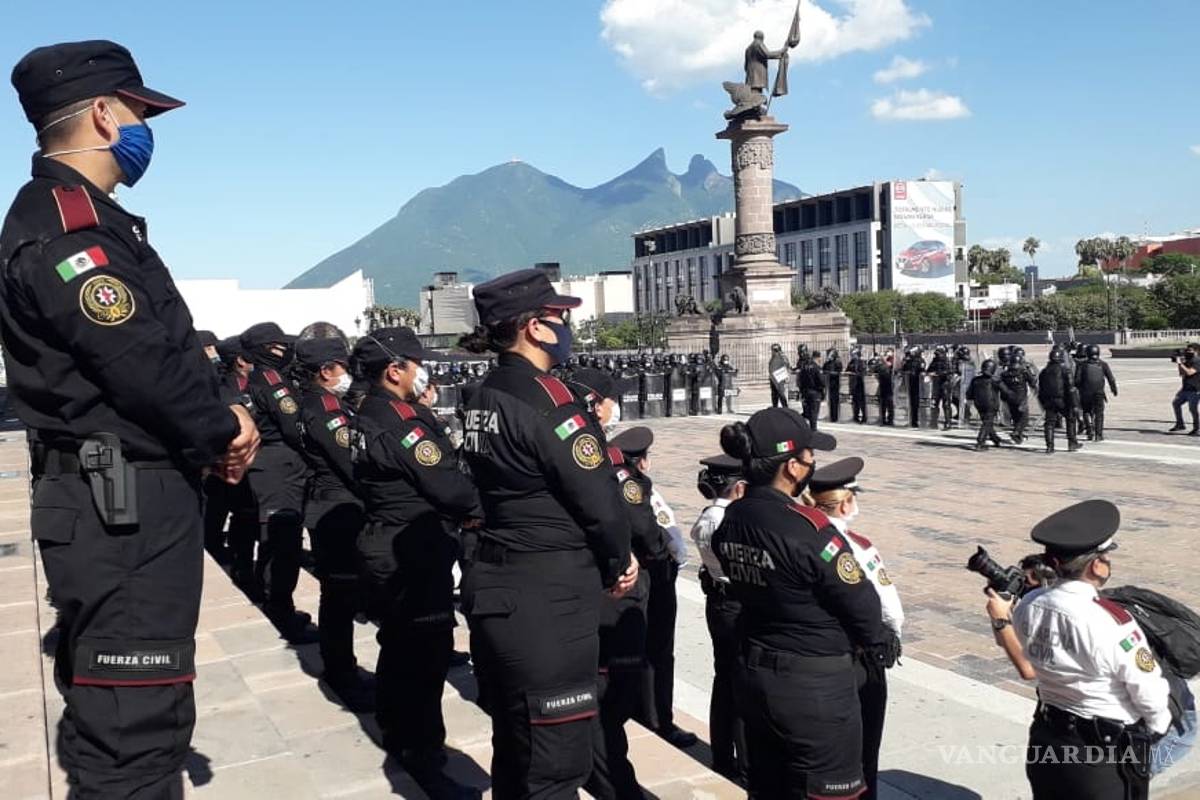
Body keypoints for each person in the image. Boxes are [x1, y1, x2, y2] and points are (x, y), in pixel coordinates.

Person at [0, 40, 260, 796]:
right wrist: (224, 429)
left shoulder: (82, 219)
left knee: (136, 709)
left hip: (120, 498)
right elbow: (140, 362)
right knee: (133, 731)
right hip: (121, 506)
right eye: (143, 112)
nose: (149, 129)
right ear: (107, 115)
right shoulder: (70, 231)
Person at [458, 269, 637, 798]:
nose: (567, 327)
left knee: (516, 749)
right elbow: (600, 501)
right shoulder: (550, 401)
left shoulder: (482, 393)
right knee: (555, 768)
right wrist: (618, 562)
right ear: (535, 327)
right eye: (561, 317)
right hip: (549, 601)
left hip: (498, 587)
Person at [713, 408, 886, 799]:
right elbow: (862, 606)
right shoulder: (810, 528)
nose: (813, 464)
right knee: (833, 790)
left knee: (770, 785)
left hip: (756, 669)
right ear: (792, 467)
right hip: (814, 684)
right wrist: (873, 642)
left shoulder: (732, 517)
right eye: (810, 457)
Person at [352, 327, 481, 773]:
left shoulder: (368, 410)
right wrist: (478, 510)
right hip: (412, 548)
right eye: (415, 362)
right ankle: (423, 751)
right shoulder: (401, 423)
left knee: (398, 645)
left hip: (386, 538)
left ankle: (396, 729)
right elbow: (449, 487)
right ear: (394, 370)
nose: (422, 371)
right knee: (425, 653)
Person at [992, 500, 1172, 799]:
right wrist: (1157, 726)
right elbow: (1147, 689)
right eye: (1105, 557)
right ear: (1096, 565)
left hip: (1047, 737)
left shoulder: (1029, 604)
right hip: (1099, 755)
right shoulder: (1113, 620)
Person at [571, 368, 658, 800]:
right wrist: (636, 556)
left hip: (584, 588)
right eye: (608, 398)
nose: (612, 406)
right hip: (610, 592)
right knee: (612, 695)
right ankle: (612, 781)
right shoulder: (600, 460)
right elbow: (631, 524)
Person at [804, 458, 903, 800]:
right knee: (864, 748)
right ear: (846, 503)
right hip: (858, 656)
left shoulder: (803, 533)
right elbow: (889, 608)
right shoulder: (857, 546)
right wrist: (891, 635)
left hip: (816, 658)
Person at [293, 335, 375, 712]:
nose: (348, 374)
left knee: (345, 594)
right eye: (342, 366)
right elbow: (350, 461)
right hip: (335, 508)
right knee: (339, 597)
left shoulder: (322, 402)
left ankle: (342, 666)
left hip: (334, 505)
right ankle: (341, 672)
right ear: (326, 371)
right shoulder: (325, 409)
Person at [610, 426, 697, 751]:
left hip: (634, 571)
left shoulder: (611, 476)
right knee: (658, 651)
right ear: (642, 461)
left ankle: (641, 708)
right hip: (650, 573)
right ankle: (659, 718)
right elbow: (649, 529)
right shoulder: (633, 484)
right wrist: (662, 558)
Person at [240, 322, 318, 643]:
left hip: (272, 464)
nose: (285, 350)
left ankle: (273, 601)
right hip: (279, 465)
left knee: (274, 540)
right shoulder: (272, 381)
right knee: (283, 543)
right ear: (266, 349)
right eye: (278, 345)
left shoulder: (265, 378)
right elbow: (292, 424)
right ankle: (281, 611)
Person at [691, 454, 749, 784]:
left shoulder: (707, 516)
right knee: (739, 683)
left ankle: (723, 755)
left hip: (718, 600)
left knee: (723, 679)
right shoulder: (729, 522)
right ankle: (744, 762)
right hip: (735, 604)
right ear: (738, 488)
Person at [1037, 347, 1082, 454]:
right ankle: (1072, 443)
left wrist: (1043, 403)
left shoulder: (1044, 371)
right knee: (1070, 420)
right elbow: (1071, 389)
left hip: (1049, 401)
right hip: (1063, 400)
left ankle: (1049, 446)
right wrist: (1075, 404)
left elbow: (1040, 389)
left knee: (1049, 424)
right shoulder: (1066, 370)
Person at [1076, 345, 1118, 442]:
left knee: (1086, 411)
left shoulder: (1082, 365)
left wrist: (1080, 388)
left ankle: (1089, 430)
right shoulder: (1103, 364)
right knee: (1099, 413)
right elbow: (1110, 378)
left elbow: (1077, 380)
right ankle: (1099, 434)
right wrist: (1114, 389)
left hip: (1085, 392)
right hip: (1099, 392)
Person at [967, 359, 1010, 451]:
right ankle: (980, 442)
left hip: (979, 404)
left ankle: (995, 439)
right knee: (987, 423)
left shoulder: (975, 380)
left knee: (987, 423)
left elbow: (969, 394)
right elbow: (1006, 392)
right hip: (991, 404)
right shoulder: (995, 380)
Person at [1001, 348, 1038, 444]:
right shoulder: (1023, 372)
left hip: (1009, 398)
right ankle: (1016, 432)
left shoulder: (1005, 373)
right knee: (1024, 418)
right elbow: (1032, 382)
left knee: (1016, 417)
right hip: (1021, 398)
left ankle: (1018, 435)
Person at [1168, 344, 1199, 436]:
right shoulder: (1188, 360)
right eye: (1187, 350)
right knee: (1176, 403)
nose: (1187, 352)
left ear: (1196, 351)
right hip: (1185, 388)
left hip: (1195, 389)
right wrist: (1180, 363)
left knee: (1192, 409)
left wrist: (1180, 363)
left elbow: (1190, 372)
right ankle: (1180, 424)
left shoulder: (1198, 361)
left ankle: (1197, 428)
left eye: (1190, 350)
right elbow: (1182, 373)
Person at [796, 344, 825, 430]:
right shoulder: (816, 367)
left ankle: (805, 428)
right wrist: (822, 388)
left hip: (805, 392)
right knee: (813, 414)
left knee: (807, 412)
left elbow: (800, 380)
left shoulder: (803, 367)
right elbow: (821, 381)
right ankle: (813, 431)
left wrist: (801, 390)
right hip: (814, 392)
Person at [926, 345, 954, 430]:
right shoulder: (935, 361)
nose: (937, 356)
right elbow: (928, 370)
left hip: (945, 384)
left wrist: (937, 373)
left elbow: (949, 372)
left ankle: (948, 422)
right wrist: (930, 373)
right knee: (934, 403)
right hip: (936, 384)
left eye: (939, 353)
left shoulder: (947, 361)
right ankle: (933, 422)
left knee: (946, 404)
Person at [900, 346, 925, 428]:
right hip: (909, 383)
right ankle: (911, 420)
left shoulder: (920, 361)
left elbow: (922, 371)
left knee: (916, 403)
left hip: (917, 384)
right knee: (910, 403)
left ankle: (917, 420)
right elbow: (903, 369)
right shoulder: (909, 361)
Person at [847, 346, 868, 424]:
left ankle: (864, 417)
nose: (853, 356)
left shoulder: (861, 362)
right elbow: (847, 370)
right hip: (853, 385)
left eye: (854, 354)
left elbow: (863, 373)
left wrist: (855, 374)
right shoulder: (851, 362)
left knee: (861, 402)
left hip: (860, 385)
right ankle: (855, 417)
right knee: (855, 402)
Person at [872, 354, 895, 426]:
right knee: (884, 404)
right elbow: (875, 369)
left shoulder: (890, 366)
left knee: (889, 404)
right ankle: (884, 420)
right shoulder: (881, 366)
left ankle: (889, 420)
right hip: (883, 386)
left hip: (888, 386)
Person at [823, 348, 843, 423]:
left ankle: (835, 417)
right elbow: (824, 369)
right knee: (830, 401)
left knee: (835, 401)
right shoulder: (827, 363)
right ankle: (831, 416)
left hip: (835, 384)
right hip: (829, 384)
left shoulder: (837, 362)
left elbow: (839, 372)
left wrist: (831, 373)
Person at [768, 343, 790, 408]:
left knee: (781, 393)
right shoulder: (773, 358)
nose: (772, 351)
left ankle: (785, 407)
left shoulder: (782, 357)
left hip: (779, 378)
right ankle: (775, 407)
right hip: (773, 378)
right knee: (774, 394)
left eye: (774, 350)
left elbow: (787, 365)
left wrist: (786, 375)